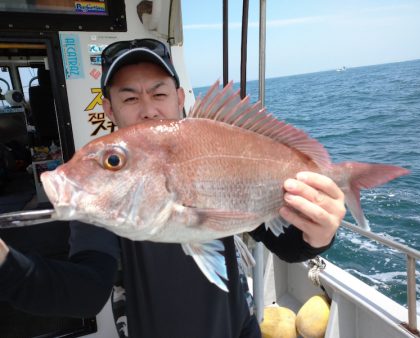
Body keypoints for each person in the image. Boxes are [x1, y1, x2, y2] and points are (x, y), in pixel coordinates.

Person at [0, 38, 345, 338]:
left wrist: (318, 235)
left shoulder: (211, 147)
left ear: (179, 97)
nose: (149, 111)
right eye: (131, 98)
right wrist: (5, 262)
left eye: (159, 93)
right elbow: (86, 291)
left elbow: (285, 245)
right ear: (109, 109)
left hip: (240, 329)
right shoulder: (100, 200)